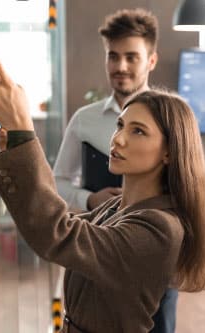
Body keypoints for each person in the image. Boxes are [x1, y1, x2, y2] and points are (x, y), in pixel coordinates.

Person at [0, 47, 205, 332]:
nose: (118, 139)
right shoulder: (119, 206)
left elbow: (56, 234)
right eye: (120, 125)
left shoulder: (160, 228)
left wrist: (23, 132)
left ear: (169, 151)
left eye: (137, 131)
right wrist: (17, 150)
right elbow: (59, 225)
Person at [53, 9, 180, 332]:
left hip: (153, 257)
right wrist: (91, 199)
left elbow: (190, 186)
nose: (120, 67)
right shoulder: (85, 118)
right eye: (113, 56)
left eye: (131, 57)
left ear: (151, 60)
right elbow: (59, 182)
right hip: (100, 246)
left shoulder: (174, 120)